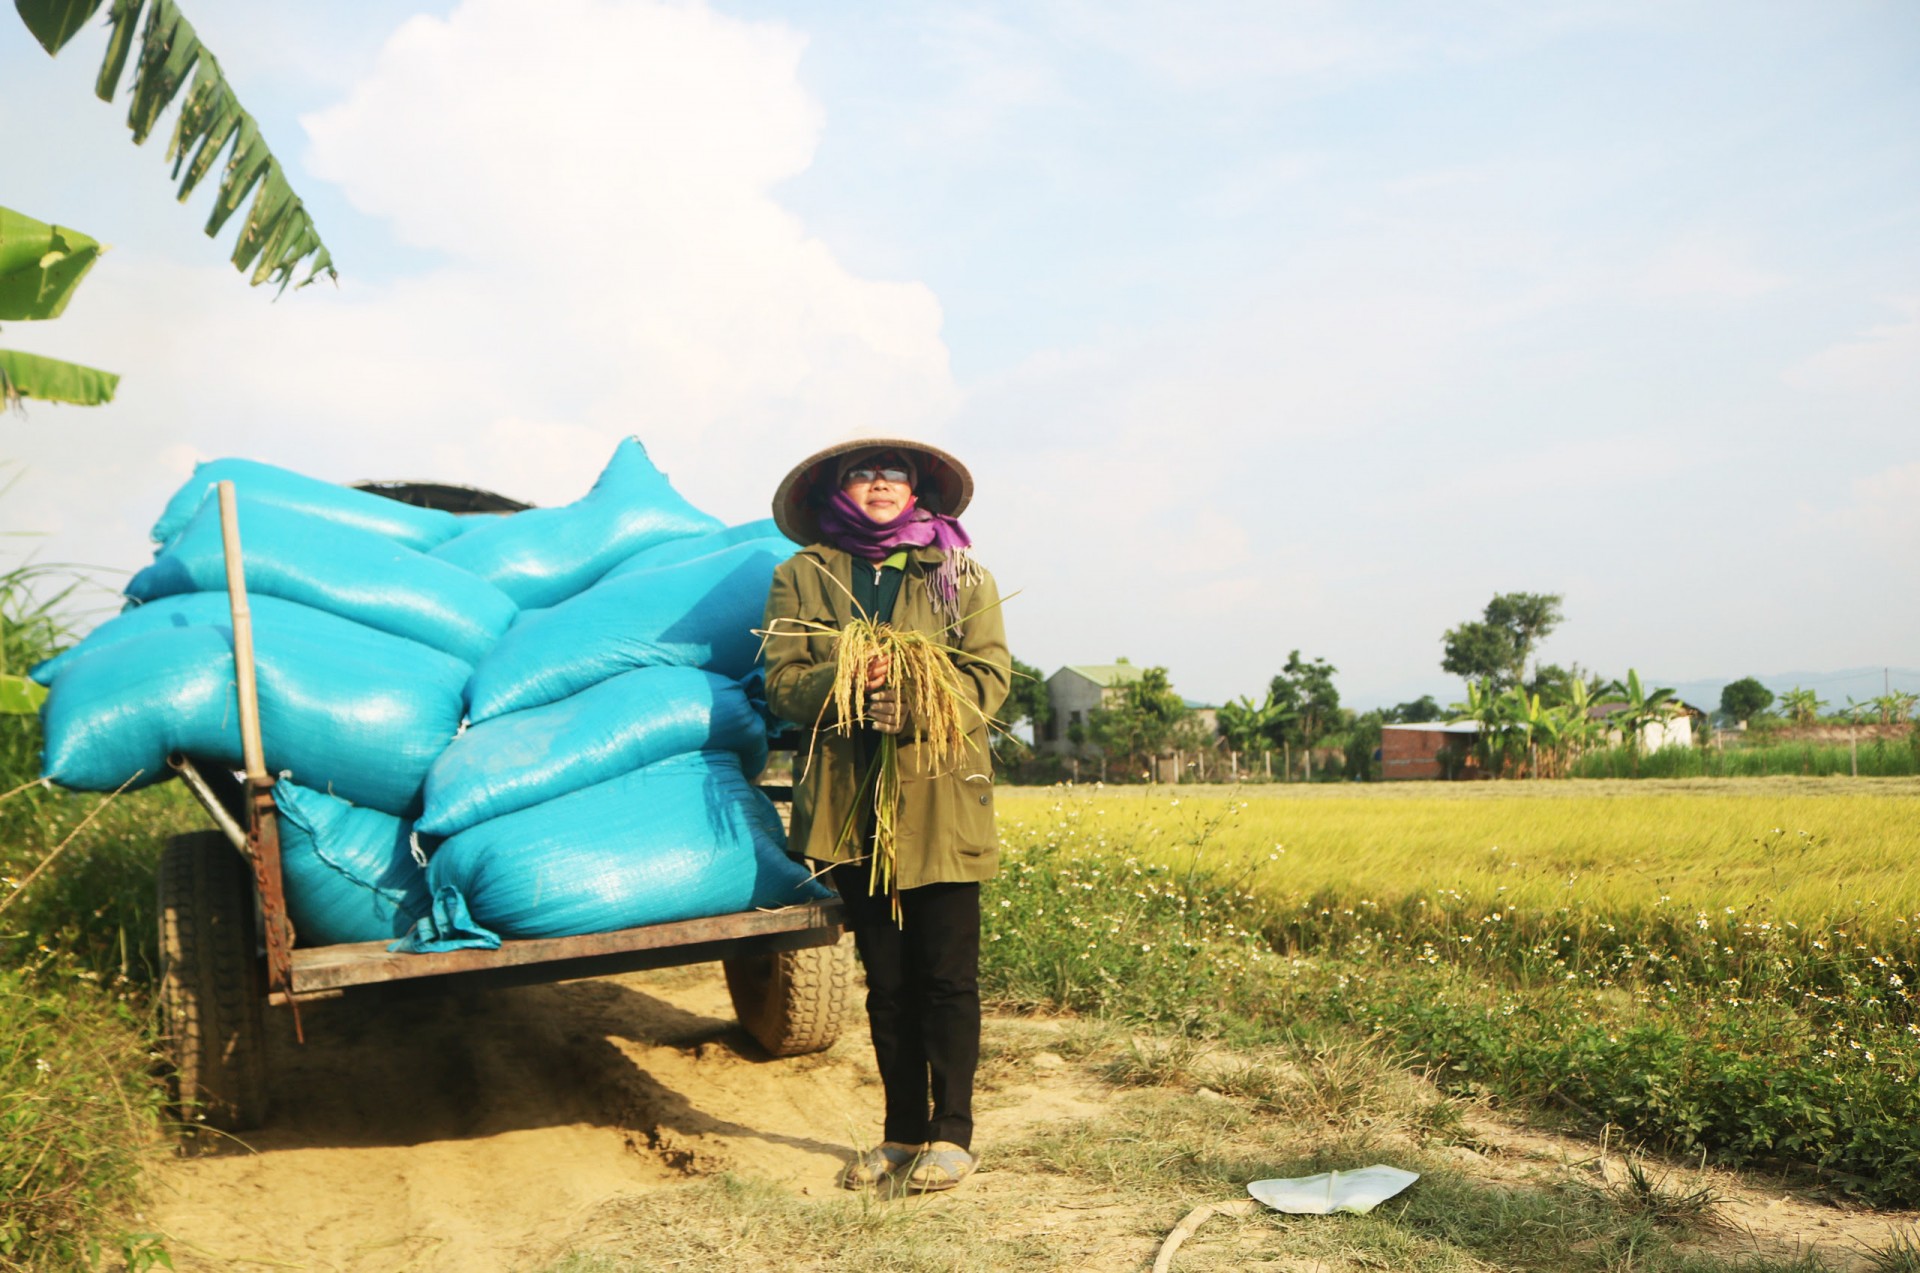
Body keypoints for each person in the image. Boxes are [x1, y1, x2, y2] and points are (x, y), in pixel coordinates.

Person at [763, 438, 1010, 1193]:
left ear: (916, 488)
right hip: (848, 808)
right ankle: (902, 1131)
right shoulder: (802, 575)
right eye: (861, 474)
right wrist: (846, 680)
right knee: (888, 982)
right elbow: (781, 681)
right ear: (838, 489)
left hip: (938, 802)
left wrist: (916, 701)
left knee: (946, 978)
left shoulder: (958, 572)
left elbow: (989, 677)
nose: (877, 484)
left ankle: (953, 1133)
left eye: (891, 474)